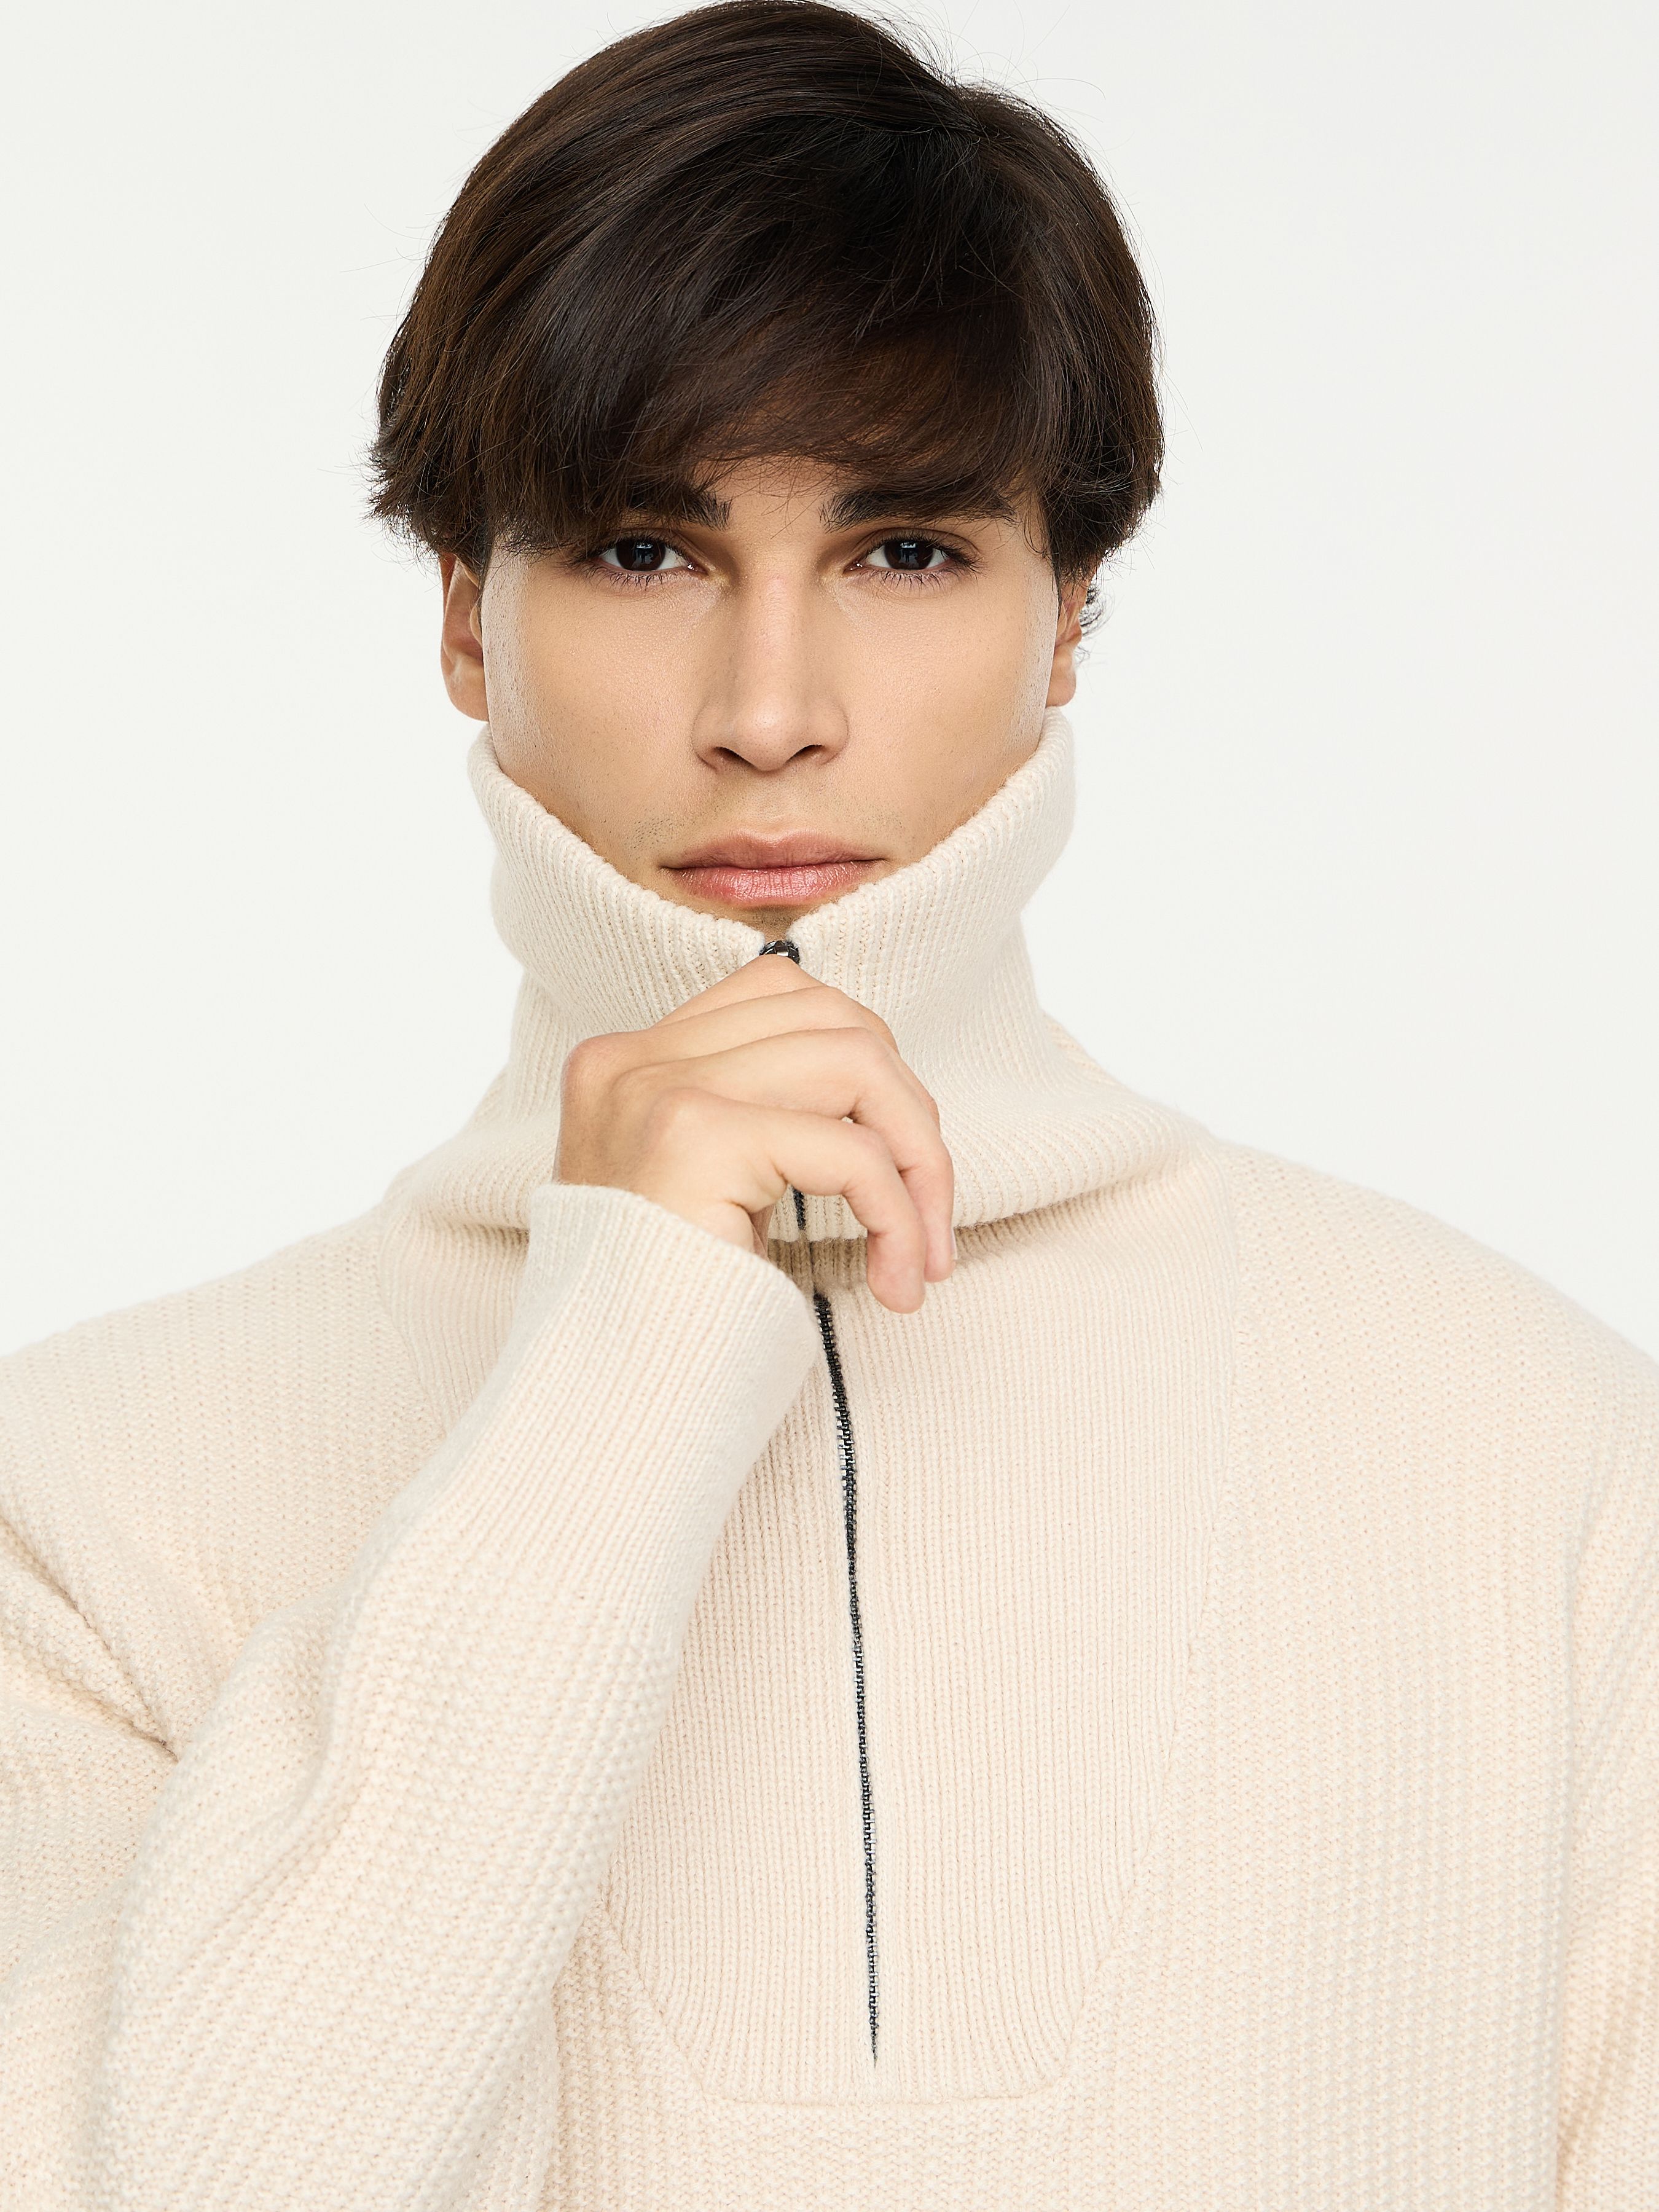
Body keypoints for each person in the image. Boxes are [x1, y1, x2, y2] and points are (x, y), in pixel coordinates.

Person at [2, 2, 1653, 2204]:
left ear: (1067, 617)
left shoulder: (1535, 1459)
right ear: (467, 621)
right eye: (642, 550)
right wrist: (616, 1363)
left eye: (903, 553)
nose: (768, 710)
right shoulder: (83, 1507)